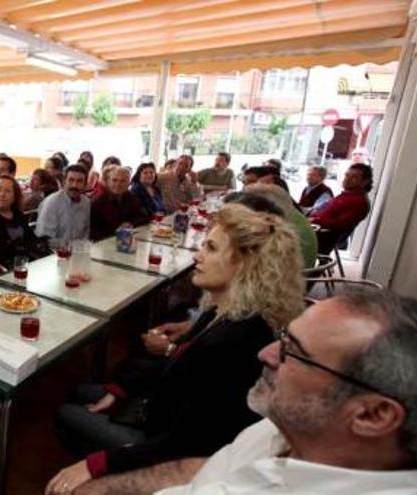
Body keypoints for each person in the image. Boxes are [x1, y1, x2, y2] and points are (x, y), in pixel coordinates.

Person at [47, 204, 304, 495]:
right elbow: (176, 366)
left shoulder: (235, 342)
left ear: (245, 264)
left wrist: (96, 465)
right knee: (82, 391)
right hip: (162, 408)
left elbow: (185, 444)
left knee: (67, 414)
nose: (197, 255)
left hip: (166, 442)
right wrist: (119, 390)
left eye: (210, 247)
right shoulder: (226, 311)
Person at [78, 289, 417, 494]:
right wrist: (101, 487)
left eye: (293, 352)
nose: (265, 354)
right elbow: (210, 467)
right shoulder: (282, 425)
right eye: (282, 339)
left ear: (373, 415)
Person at [0, 176, 44, 268]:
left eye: (8, 191)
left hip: (25, 262)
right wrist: (23, 248)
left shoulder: (17, 213)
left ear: (14, 197)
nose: (2, 194)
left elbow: (30, 237)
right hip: (2, 266)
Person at [310, 164, 372, 254]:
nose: (347, 179)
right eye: (347, 175)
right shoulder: (347, 195)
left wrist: (313, 220)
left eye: (354, 177)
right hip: (314, 227)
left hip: (319, 237)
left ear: (365, 181)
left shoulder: (358, 202)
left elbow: (337, 224)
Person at [35, 163, 90, 247]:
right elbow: (45, 239)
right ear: (64, 182)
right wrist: (70, 246)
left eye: (79, 181)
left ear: (85, 185)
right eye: (71, 180)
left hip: (79, 252)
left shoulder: (86, 202)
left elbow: (86, 232)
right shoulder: (52, 203)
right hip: (54, 254)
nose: (74, 185)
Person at [90, 166, 149, 240]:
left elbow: (145, 217)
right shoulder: (98, 202)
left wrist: (131, 223)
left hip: (126, 240)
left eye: (123, 181)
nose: (118, 184)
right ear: (108, 182)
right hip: (105, 242)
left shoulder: (131, 197)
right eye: (114, 180)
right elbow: (93, 231)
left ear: (129, 183)